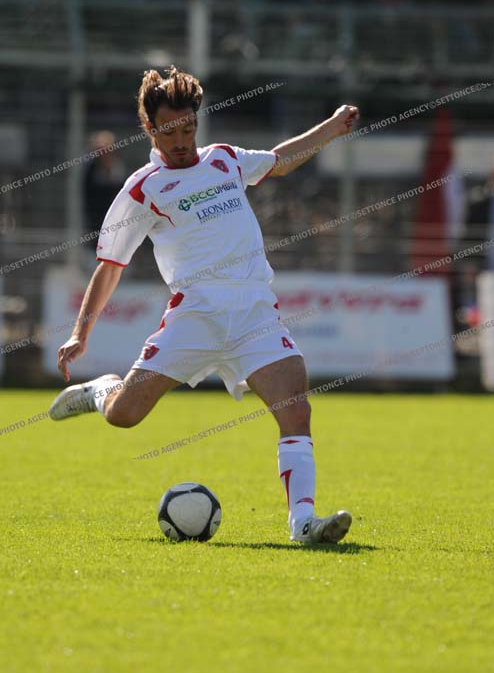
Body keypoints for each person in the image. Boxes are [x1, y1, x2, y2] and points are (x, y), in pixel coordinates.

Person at [48, 66, 359, 546]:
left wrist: (333, 128)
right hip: (194, 318)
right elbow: (110, 266)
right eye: (169, 131)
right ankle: (100, 392)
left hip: (255, 314)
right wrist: (79, 334)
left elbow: (279, 160)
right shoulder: (142, 189)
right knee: (124, 415)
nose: (181, 141)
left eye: (188, 128)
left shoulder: (224, 160)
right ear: (149, 128)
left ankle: (304, 523)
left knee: (296, 410)